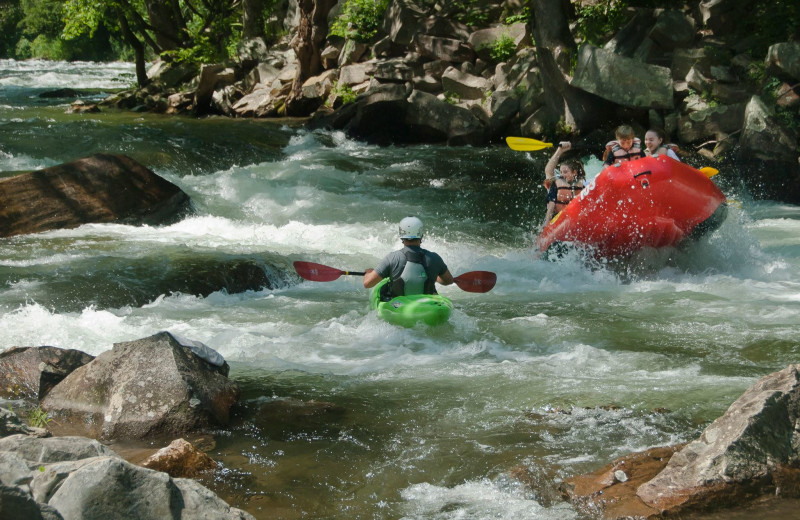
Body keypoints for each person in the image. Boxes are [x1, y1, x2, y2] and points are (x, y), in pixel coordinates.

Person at [363, 216, 454, 300]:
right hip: (426, 306)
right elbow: (448, 281)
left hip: (399, 308)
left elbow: (367, 284)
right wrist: (435, 275)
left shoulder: (392, 258)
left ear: (401, 235)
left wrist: (368, 273)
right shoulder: (435, 258)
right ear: (421, 234)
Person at [542, 141, 586, 225]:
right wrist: (560, 150)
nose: (562, 175)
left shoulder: (582, 185)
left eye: (565, 172)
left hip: (572, 221)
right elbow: (548, 170)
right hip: (554, 220)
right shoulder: (556, 184)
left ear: (574, 172)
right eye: (561, 172)